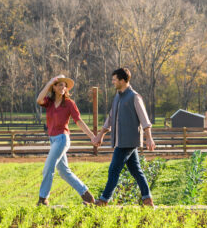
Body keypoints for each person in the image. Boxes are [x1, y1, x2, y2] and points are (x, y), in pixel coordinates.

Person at [91, 67, 157, 207]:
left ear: (122, 80)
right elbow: (110, 117)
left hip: (127, 142)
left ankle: (103, 200)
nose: (113, 82)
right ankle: (147, 199)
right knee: (136, 170)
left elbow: (145, 119)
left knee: (113, 169)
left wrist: (149, 138)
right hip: (121, 141)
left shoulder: (134, 97)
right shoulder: (117, 97)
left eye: (115, 80)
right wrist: (101, 134)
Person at [36, 74, 97, 206]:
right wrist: (49, 83)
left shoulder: (69, 103)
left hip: (62, 139)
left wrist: (92, 135)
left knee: (48, 167)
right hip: (53, 140)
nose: (63, 88)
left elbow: (79, 121)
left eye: (64, 86)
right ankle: (86, 195)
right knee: (64, 172)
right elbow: (39, 100)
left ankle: (42, 199)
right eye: (60, 85)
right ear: (54, 87)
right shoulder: (49, 102)